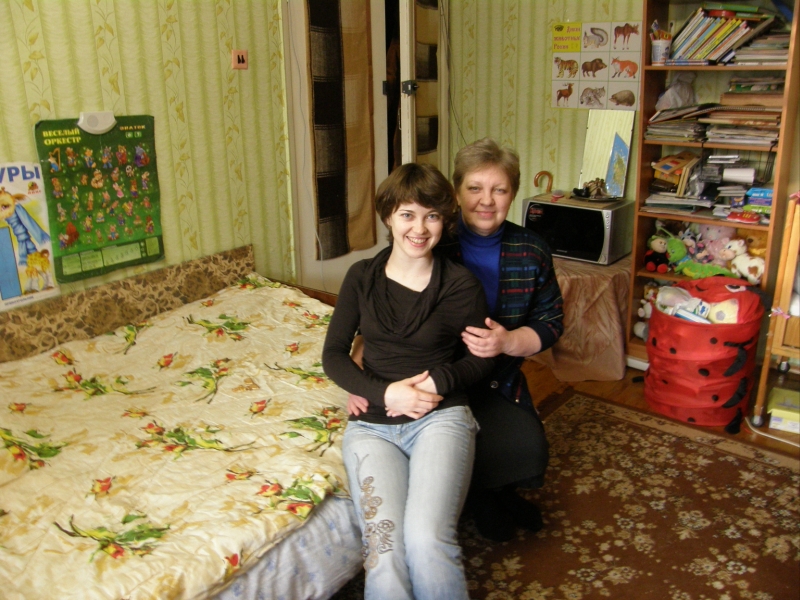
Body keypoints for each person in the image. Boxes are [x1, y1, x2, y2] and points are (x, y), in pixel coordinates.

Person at [350, 139, 564, 541]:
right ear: (456, 193)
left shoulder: (531, 249)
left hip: (498, 377)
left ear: (513, 194)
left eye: (499, 190)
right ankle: (481, 500)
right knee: (460, 434)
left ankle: (498, 493)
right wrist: (362, 377)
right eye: (474, 188)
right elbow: (378, 308)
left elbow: (551, 321)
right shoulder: (430, 239)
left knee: (526, 444)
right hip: (433, 379)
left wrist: (507, 341)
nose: (487, 200)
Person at [322, 163, 495, 600]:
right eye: (407, 215)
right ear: (388, 217)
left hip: (440, 418)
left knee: (426, 539)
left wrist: (437, 382)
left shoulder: (461, 285)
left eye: (432, 216)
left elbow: (481, 359)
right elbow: (333, 354)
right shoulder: (361, 277)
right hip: (372, 427)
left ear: (444, 221)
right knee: (384, 550)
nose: (419, 229)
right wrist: (383, 392)